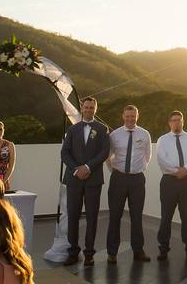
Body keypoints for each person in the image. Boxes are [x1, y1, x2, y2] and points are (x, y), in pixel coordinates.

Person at [59, 96, 110, 267]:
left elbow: (104, 152)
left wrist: (87, 167)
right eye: (86, 107)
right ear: (82, 109)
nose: (88, 110)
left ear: (96, 109)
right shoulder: (73, 129)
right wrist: (76, 169)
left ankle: (89, 253)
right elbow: (64, 153)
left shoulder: (102, 129)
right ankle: (73, 252)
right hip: (74, 180)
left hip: (93, 179)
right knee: (72, 216)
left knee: (92, 217)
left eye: (91, 107)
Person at [105, 104, 152, 264]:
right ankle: (112, 252)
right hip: (118, 179)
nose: (130, 119)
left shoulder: (144, 134)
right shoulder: (115, 135)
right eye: (127, 116)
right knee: (115, 217)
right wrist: (116, 172)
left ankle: (138, 251)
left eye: (133, 116)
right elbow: (108, 156)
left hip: (137, 180)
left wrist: (135, 170)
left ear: (137, 116)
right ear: (123, 116)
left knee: (137, 217)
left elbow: (147, 156)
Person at [156, 110, 187, 261]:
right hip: (169, 181)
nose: (176, 122)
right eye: (174, 120)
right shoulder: (163, 140)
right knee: (166, 217)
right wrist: (176, 171)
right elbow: (161, 159)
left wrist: (185, 170)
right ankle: (163, 249)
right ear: (169, 123)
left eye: (179, 120)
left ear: (183, 122)